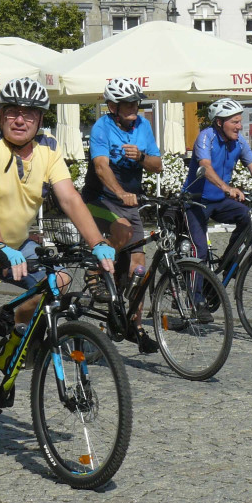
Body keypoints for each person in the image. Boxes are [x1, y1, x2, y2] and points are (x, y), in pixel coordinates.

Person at [0, 77, 116, 449]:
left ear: (39, 120)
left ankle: (18, 326)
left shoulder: (49, 149)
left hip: (15, 245)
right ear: (2, 115)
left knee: (61, 281)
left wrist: (98, 243)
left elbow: (69, 199)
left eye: (30, 114)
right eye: (13, 112)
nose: (21, 120)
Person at [81, 77, 163, 354]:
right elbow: (101, 167)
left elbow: (158, 165)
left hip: (130, 203)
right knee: (124, 231)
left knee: (139, 266)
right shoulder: (102, 127)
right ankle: (95, 269)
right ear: (112, 106)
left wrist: (140, 157)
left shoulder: (144, 125)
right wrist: (120, 192)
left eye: (135, 102)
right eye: (127, 103)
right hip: (99, 199)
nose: (133, 107)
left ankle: (135, 325)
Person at [182, 98, 252, 308]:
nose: (240, 126)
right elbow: (205, 168)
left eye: (240, 121)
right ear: (219, 122)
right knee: (200, 250)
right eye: (235, 122)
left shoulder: (239, 142)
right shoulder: (206, 138)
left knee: (247, 217)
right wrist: (227, 188)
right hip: (195, 201)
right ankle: (195, 300)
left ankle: (227, 264)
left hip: (219, 201)